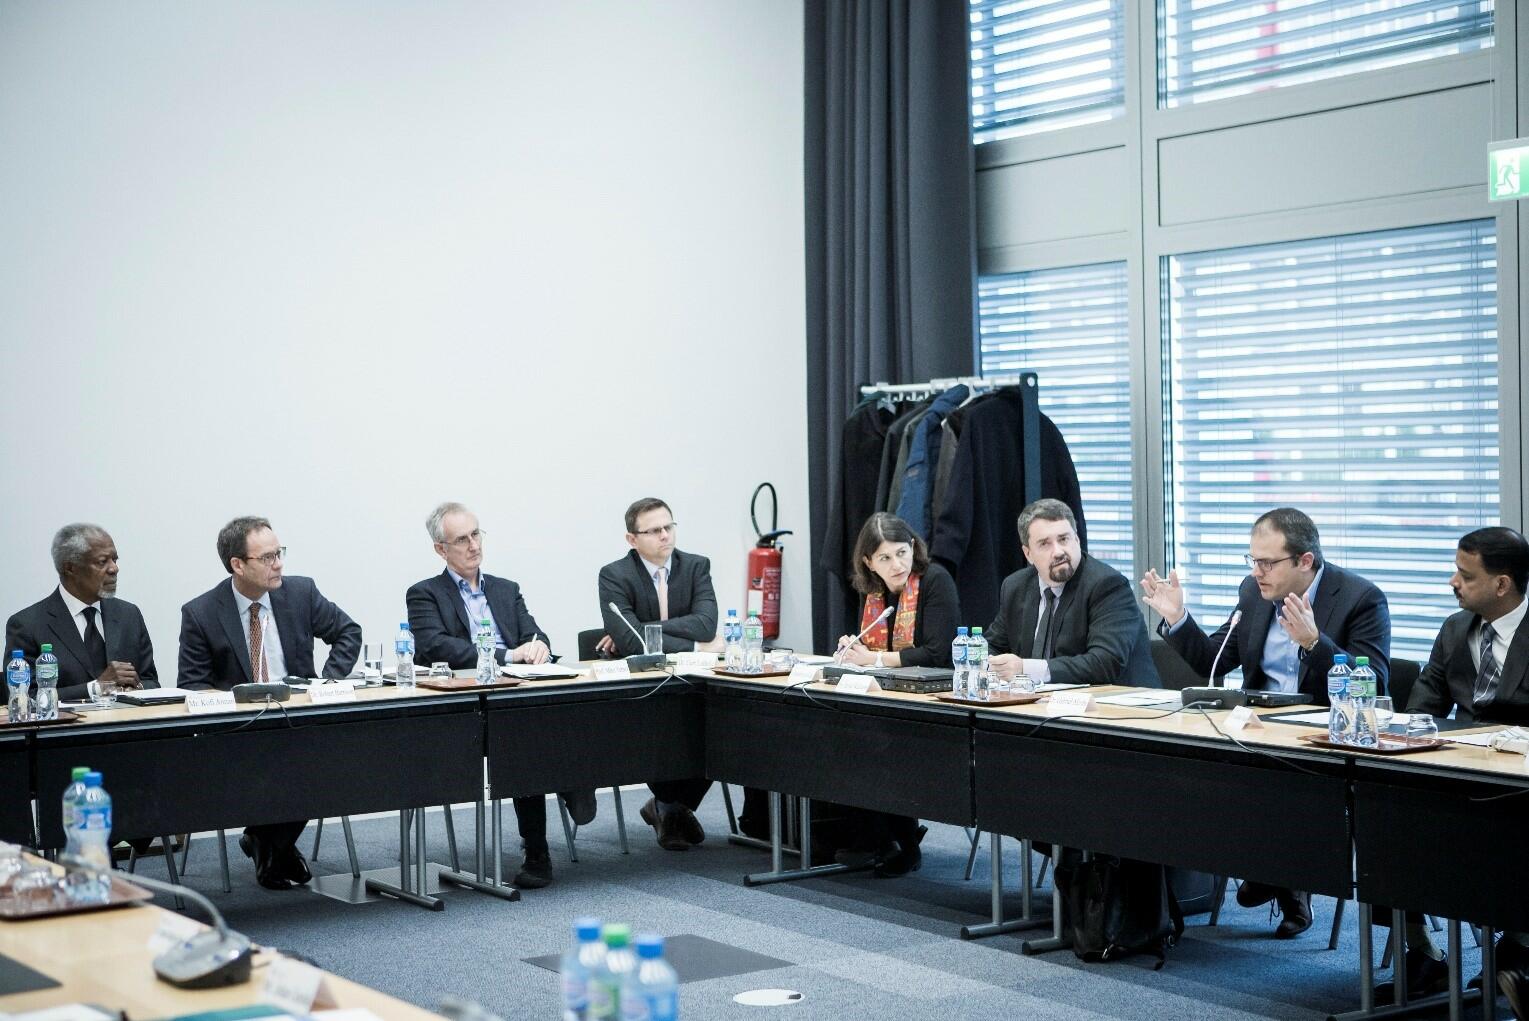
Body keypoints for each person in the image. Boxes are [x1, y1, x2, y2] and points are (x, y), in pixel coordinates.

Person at [1141, 506, 1391, 939]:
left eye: (1267, 563)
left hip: (1320, 737)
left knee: (1283, 783)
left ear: (1305, 561)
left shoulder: (1360, 598)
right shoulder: (1253, 593)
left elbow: (1378, 684)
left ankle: (1279, 871)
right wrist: (1177, 618)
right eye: (1252, 561)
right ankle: (1270, 866)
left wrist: (1315, 643)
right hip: (1258, 729)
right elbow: (1211, 660)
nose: (1257, 572)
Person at [406, 501, 588, 889]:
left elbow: (536, 635)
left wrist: (538, 647)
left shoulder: (506, 589)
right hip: (467, 705)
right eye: (461, 539)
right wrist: (505, 654)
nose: (473, 545)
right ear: (441, 549)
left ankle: (573, 778)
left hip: (516, 697)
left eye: (476, 534)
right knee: (525, 737)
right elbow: (437, 647)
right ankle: (542, 838)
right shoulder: (425, 594)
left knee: (554, 716)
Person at [177, 516, 361, 890]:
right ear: (238, 565)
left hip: (298, 721)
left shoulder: (301, 593)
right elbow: (192, 685)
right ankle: (274, 847)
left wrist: (327, 682)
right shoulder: (201, 613)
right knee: (294, 761)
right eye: (267, 557)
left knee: (336, 755)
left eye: (280, 553)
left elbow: (347, 632)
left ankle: (268, 842)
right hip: (240, 733)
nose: (278, 563)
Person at [1397, 526, 1529, 1006]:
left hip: (1518, 786)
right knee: (1389, 819)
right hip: (1456, 773)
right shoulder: (1456, 629)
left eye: (1465, 574)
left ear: (1502, 584)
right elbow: (1421, 707)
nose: (1453, 582)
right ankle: (1424, 954)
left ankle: (1518, 950)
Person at [832, 512, 959, 876]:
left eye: (902, 552)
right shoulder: (874, 592)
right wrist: (853, 650)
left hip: (933, 700)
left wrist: (873, 658)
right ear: (869, 562)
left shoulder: (935, 580)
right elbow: (874, 651)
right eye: (885, 558)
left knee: (884, 743)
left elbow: (939, 653)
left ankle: (903, 842)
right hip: (886, 697)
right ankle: (876, 838)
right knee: (843, 732)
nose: (897, 564)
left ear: (914, 548)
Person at [597, 497, 722, 851]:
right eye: (654, 531)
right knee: (658, 730)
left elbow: (706, 622)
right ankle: (671, 808)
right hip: (643, 686)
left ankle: (668, 807)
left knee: (715, 729)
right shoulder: (614, 574)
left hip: (693, 682)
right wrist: (697, 645)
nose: (665, 536)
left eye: (669, 527)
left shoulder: (697, 566)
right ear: (632, 539)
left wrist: (644, 629)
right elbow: (632, 643)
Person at [986, 499, 1159, 688]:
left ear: (1076, 539)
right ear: (1028, 554)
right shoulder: (1016, 587)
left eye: (1063, 539)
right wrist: (988, 664)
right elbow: (992, 645)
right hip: (1043, 708)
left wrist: (1025, 669)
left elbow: (1104, 663)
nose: (1058, 552)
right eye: (1045, 544)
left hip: (1120, 709)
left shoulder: (1108, 585)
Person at [5, 523, 158, 703]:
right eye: (102, 562)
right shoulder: (27, 625)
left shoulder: (129, 615)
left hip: (126, 727)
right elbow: (23, 698)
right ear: (70, 568)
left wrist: (135, 688)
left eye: (114, 560)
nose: (114, 569)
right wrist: (96, 688)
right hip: (67, 730)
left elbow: (151, 682)